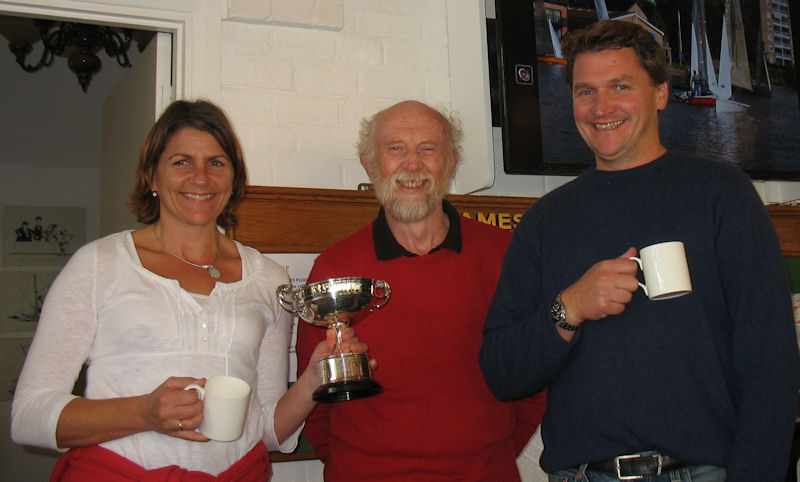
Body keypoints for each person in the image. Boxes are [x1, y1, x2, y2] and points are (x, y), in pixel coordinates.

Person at [480, 20, 800, 482]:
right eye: (584, 91)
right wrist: (568, 307)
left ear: (660, 94)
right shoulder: (544, 221)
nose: (600, 107)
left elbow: (770, 363)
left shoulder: (721, 195)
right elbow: (502, 373)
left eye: (620, 86)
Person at [11, 99, 370, 480]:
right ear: (151, 176)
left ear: (233, 179)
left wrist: (313, 379)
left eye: (216, 162)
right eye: (181, 161)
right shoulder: (99, 264)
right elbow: (29, 417)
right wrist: (143, 413)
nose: (201, 178)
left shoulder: (268, 279)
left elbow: (264, 431)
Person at [295, 100, 547, 481]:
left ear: (452, 161)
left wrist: (488, 460)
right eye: (395, 148)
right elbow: (314, 400)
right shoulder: (335, 268)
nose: (412, 165)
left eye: (428, 149)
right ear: (368, 162)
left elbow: (533, 374)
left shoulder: (504, 256)